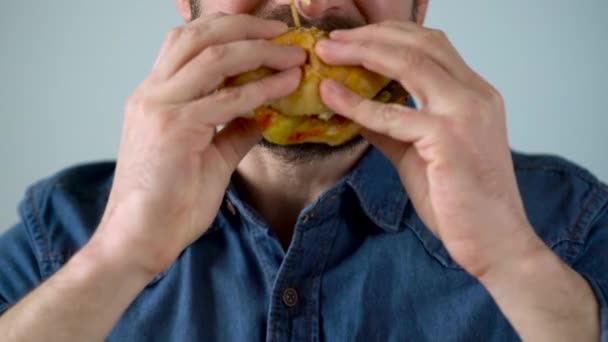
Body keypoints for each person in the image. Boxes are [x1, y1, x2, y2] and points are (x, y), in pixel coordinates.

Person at [0, 0, 606, 341]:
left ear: (419, 6)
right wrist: (116, 262)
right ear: (188, 6)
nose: (313, 5)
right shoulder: (56, 236)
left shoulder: (572, 226)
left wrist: (515, 268)